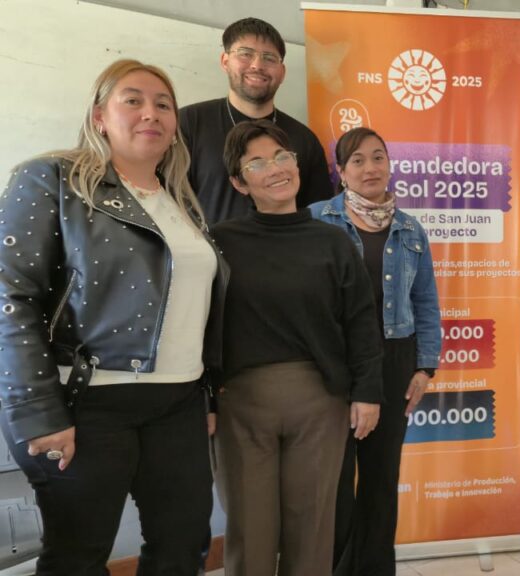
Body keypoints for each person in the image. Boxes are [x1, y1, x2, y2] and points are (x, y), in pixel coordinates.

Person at [0, 59, 224, 575]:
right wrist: (39, 412)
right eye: (133, 100)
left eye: (163, 104)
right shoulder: (52, 179)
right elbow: (11, 296)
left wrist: (207, 395)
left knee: (183, 544)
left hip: (179, 404)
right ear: (100, 116)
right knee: (78, 556)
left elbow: (196, 309)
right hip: (86, 402)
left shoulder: (181, 201)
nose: (151, 113)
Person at [212, 120, 383, 576]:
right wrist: (206, 398)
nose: (275, 169)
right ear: (239, 182)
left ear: (298, 166)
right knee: (250, 529)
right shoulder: (221, 242)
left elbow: (361, 321)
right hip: (241, 406)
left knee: (312, 528)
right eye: (257, 163)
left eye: (282, 157)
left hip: (320, 402)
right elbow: (204, 325)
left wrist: (367, 393)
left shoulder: (333, 241)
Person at [308, 127, 441, 576]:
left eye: (378, 157)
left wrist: (425, 367)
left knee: (382, 478)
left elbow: (426, 301)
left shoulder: (410, 228)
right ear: (341, 171)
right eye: (358, 160)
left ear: (390, 164)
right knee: (334, 481)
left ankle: (376, 568)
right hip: (334, 364)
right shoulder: (316, 220)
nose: (370, 168)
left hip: (395, 361)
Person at [180, 17, 332, 225]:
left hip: (283, 246)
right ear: (225, 61)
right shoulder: (189, 123)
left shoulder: (305, 139)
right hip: (205, 246)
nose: (257, 65)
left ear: (282, 72)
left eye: (269, 58)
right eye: (245, 54)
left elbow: (318, 219)